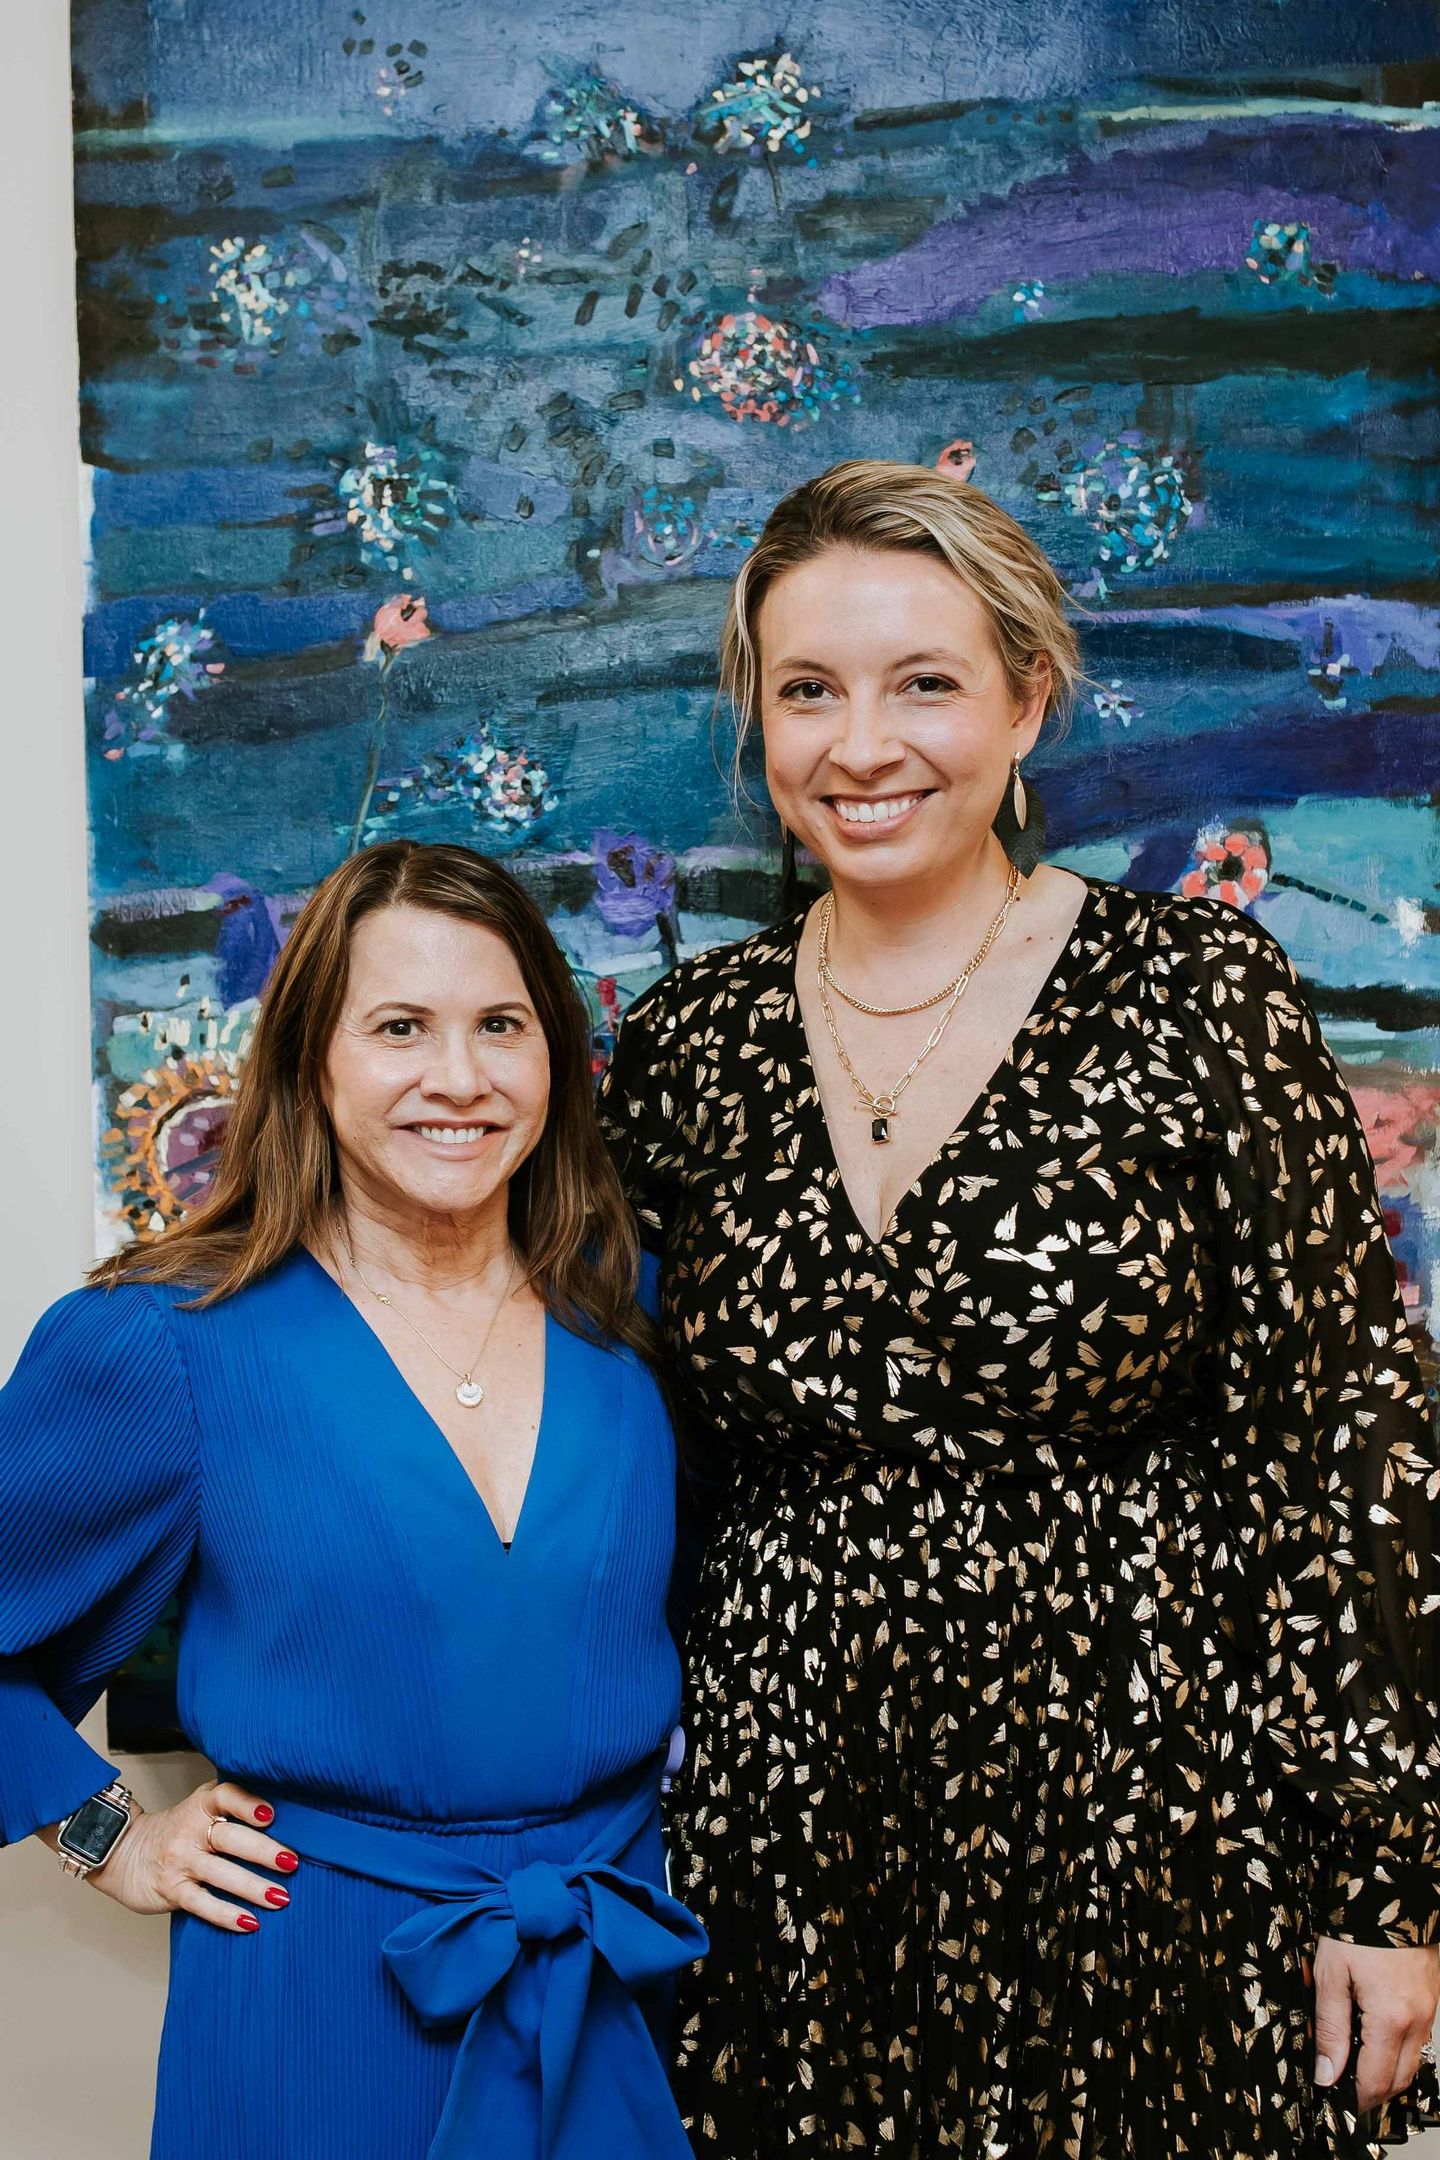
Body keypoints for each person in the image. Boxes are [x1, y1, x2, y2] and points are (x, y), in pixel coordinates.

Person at [598, 459, 1440, 2158]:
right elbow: (592, 1442)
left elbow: (1350, 1433)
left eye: (926, 683)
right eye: (808, 690)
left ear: (1027, 701)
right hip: (792, 1855)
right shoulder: (691, 1043)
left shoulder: (1199, 993)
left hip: (1156, 1834)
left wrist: (1388, 1873)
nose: (861, 744)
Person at [0, 840, 703, 2160]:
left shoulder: (630, 1317)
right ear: (312, 1057)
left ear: (557, 1053)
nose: (458, 1076)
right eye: (399, 1027)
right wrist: (108, 1838)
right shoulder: (170, 1343)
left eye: (501, 1024)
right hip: (316, 1995)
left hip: (612, 1976)